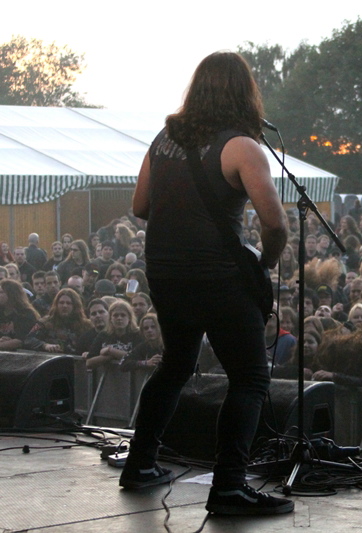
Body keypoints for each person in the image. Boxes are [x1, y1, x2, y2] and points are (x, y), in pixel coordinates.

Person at [120, 52, 293, 516]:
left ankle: (139, 465)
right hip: (218, 277)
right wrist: (262, 266)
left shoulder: (164, 139)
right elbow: (275, 224)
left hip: (165, 272)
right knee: (250, 378)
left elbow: (140, 206)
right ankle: (230, 488)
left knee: (175, 364)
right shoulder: (242, 147)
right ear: (245, 93)